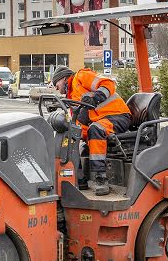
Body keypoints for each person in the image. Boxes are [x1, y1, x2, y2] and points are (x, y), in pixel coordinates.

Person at [50, 66, 132, 195]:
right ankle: (79, 178)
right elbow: (79, 121)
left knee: (95, 129)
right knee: (71, 134)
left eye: (56, 83)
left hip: (117, 115)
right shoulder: (72, 94)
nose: (56, 88)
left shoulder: (81, 76)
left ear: (64, 78)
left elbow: (108, 83)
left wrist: (96, 98)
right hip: (99, 120)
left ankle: (101, 179)